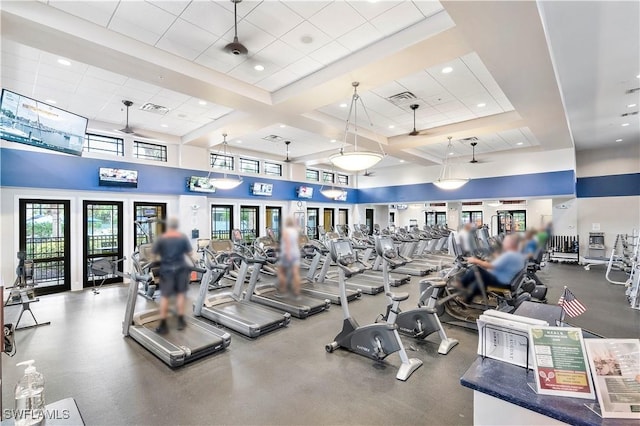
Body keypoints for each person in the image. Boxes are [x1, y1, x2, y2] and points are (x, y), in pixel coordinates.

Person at [152, 217, 194, 334]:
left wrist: (155, 263)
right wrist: (195, 262)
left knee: (164, 296)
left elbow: (154, 256)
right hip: (181, 268)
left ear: (168, 225)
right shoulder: (182, 237)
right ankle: (181, 320)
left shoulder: (162, 238)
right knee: (181, 295)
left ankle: (163, 324)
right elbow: (190, 253)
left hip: (167, 269)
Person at [457, 234, 525, 301]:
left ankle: (461, 286)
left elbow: (492, 266)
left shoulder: (509, 255)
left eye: (505, 242)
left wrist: (475, 260)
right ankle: (466, 299)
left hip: (501, 284)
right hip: (506, 282)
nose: (503, 243)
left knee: (476, 270)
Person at [277, 217, 301, 297]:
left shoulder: (286, 231)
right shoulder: (295, 231)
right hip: (296, 253)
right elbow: (297, 243)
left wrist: (288, 254)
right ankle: (296, 291)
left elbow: (287, 243)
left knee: (281, 272)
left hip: (288, 253)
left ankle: (283, 290)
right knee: (296, 273)